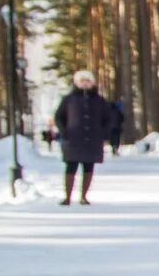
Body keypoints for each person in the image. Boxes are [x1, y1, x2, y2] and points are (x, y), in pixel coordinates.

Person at [50, 70, 120, 206]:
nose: (85, 84)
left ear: (92, 83)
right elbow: (59, 117)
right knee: (71, 167)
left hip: (92, 140)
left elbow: (108, 118)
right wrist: (64, 131)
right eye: (82, 81)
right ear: (77, 83)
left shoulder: (99, 100)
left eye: (87, 81)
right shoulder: (69, 100)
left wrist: (104, 134)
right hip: (73, 140)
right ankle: (67, 196)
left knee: (88, 168)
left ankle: (83, 196)